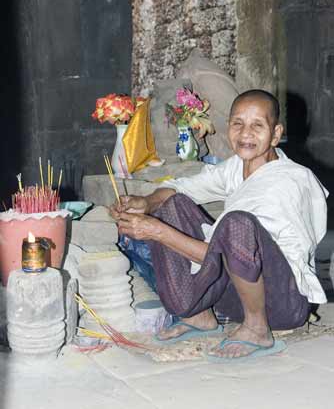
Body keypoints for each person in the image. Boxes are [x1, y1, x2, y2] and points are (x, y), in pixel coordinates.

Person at [111, 89, 328, 360]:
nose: (245, 133)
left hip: (281, 303)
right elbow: (182, 187)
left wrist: (156, 231)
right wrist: (146, 202)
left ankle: (257, 329)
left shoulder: (289, 182)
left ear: (275, 133)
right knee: (173, 204)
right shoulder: (238, 166)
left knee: (237, 225)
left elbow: (229, 253)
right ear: (229, 127)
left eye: (257, 125)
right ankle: (199, 316)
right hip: (235, 301)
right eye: (238, 123)